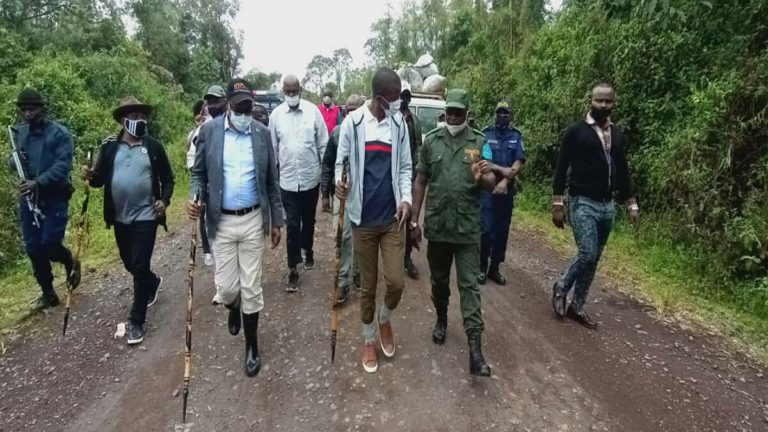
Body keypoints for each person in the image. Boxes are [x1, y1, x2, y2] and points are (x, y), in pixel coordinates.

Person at [188, 78, 284, 376]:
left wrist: (277, 220)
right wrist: (195, 197)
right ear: (228, 104)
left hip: (254, 219)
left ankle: (252, 346)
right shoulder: (209, 131)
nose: (246, 112)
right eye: (240, 106)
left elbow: (271, 181)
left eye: (249, 106)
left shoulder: (262, 133)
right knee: (228, 289)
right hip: (222, 222)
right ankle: (233, 305)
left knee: (252, 287)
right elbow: (199, 174)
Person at [411, 88, 495, 377]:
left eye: (459, 112)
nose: (454, 116)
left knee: (470, 286)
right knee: (439, 281)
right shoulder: (431, 142)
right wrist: (414, 219)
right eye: (450, 111)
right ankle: (442, 318)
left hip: (467, 228)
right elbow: (421, 181)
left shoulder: (480, 142)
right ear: (444, 112)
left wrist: (481, 177)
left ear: (467, 113)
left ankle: (475, 349)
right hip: (438, 226)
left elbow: (492, 181)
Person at [335, 67, 413, 374]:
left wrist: (405, 198)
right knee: (368, 286)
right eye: (392, 98)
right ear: (379, 97)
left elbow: (405, 167)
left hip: (392, 217)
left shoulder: (399, 125)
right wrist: (339, 187)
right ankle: (368, 339)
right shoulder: (353, 124)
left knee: (395, 282)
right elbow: (342, 166)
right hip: (362, 220)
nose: (397, 104)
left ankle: (384, 318)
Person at [83, 96, 175, 345]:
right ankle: (152, 282)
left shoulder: (154, 148)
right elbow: (99, 180)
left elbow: (168, 179)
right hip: (120, 218)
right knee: (129, 262)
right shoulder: (110, 148)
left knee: (139, 263)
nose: (139, 120)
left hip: (146, 216)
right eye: (134, 117)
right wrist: (91, 176)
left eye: (142, 116)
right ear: (123, 120)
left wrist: (163, 201)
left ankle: (136, 322)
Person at [551, 83, 639, 330]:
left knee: (594, 259)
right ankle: (562, 287)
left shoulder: (617, 133)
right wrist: (558, 204)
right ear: (591, 100)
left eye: (607, 101)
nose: (603, 105)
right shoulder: (576, 132)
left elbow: (623, 170)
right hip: (582, 202)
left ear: (614, 103)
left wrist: (631, 203)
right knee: (587, 253)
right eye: (598, 101)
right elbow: (561, 168)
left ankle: (577, 306)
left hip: (607, 206)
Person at [12, 88, 80, 310]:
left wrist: (38, 182)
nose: (27, 114)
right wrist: (15, 163)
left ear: (42, 109)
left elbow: (62, 166)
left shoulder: (59, 134)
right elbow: (12, 161)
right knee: (34, 248)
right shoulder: (20, 133)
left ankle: (70, 260)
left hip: (54, 197)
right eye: (23, 110)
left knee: (50, 244)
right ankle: (48, 293)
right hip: (29, 199)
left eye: (31, 109)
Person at [269, 74, 329, 290]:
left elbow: (323, 144)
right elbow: (273, 149)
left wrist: (325, 178)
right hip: (287, 181)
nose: (292, 95)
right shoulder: (276, 116)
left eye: (295, 91)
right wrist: (272, 180)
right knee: (292, 224)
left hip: (310, 178)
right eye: (288, 92)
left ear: (301, 90)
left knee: (308, 220)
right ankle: (293, 268)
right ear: (283, 91)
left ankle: (308, 249)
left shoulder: (313, 112)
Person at [321, 94, 364, 303]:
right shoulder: (337, 134)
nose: (352, 115)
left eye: (356, 110)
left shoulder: (370, 133)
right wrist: (325, 195)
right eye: (349, 111)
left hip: (364, 194)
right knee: (343, 236)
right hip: (342, 193)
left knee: (361, 235)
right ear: (344, 112)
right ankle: (343, 280)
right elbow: (328, 165)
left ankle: (358, 272)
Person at [478, 100, 526, 285]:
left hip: (506, 190)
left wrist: (506, 180)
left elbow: (518, 161)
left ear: (510, 116)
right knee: (486, 229)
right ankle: (481, 266)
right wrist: (501, 170)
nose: (502, 117)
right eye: (499, 113)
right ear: (495, 114)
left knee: (502, 231)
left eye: (506, 114)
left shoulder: (516, 136)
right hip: (488, 190)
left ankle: (494, 268)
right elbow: (484, 162)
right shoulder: (485, 134)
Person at [186, 85, 227, 267]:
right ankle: (209, 251)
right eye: (209, 102)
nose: (213, 105)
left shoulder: (233, 125)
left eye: (216, 101)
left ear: (225, 102)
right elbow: (195, 159)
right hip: (209, 188)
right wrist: (196, 191)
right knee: (206, 219)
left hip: (230, 192)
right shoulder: (204, 129)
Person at [399, 81, 422, 280]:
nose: (403, 99)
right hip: (391, 177)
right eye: (400, 95)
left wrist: (417, 174)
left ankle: (407, 258)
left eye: (406, 95)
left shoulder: (415, 120)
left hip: (410, 175)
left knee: (409, 219)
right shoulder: (390, 118)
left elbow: (418, 148)